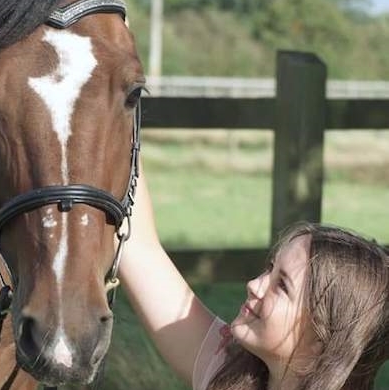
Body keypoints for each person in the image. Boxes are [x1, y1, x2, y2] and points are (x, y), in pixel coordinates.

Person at [118, 167, 389, 390]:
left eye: (282, 285)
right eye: (270, 268)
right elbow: (137, 246)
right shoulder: (229, 374)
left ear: (323, 338)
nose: (254, 285)